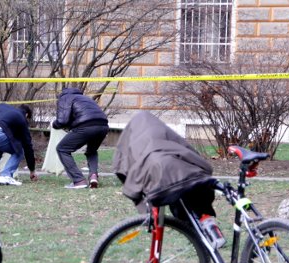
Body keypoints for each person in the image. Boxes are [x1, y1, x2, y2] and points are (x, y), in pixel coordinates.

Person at [113, 111, 225, 247]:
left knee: (169, 192)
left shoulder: (129, 139)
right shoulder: (164, 130)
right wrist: (203, 171)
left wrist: (143, 206)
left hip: (156, 179)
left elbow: (121, 169)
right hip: (186, 171)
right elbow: (188, 149)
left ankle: (194, 231)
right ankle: (206, 224)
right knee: (186, 190)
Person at [52, 87, 109, 189]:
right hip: (103, 126)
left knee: (62, 149)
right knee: (91, 151)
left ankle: (79, 181)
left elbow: (62, 121)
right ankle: (93, 176)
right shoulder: (85, 98)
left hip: (86, 126)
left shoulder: (65, 98)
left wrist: (54, 124)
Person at [0, 103, 38, 186]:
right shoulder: (21, 118)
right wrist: (32, 170)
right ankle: (6, 175)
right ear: (26, 114)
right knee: (19, 151)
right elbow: (27, 146)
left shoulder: (3, 107)